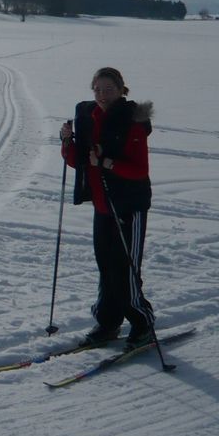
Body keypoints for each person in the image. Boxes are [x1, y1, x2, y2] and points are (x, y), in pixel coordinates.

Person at [59, 67, 156, 348]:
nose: (102, 95)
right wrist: (67, 140)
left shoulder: (133, 119)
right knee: (106, 267)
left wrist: (106, 163)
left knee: (124, 268)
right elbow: (79, 160)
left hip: (129, 205)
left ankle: (142, 323)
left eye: (109, 90)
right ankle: (108, 322)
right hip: (103, 206)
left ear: (121, 90)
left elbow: (139, 170)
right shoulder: (90, 116)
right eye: (98, 90)